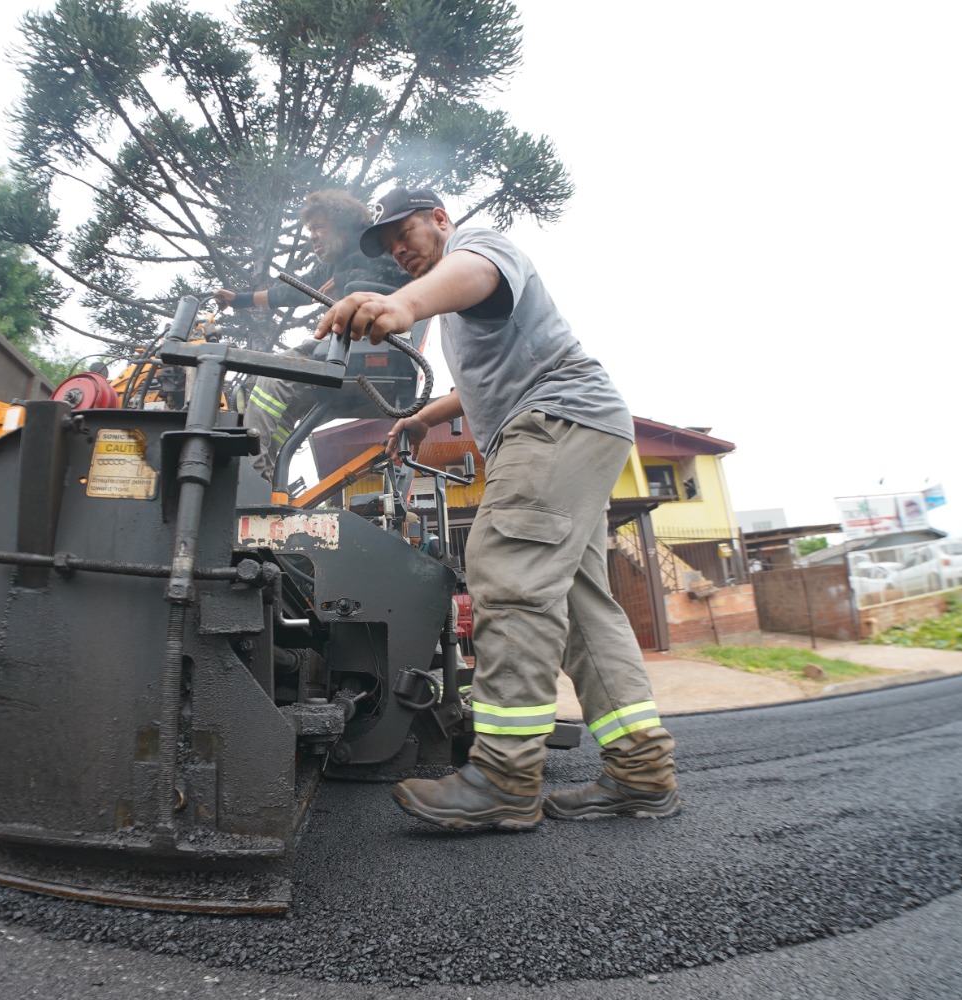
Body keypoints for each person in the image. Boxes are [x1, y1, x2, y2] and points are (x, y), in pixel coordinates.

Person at [315, 186, 679, 831]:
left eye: (406, 232)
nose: (399, 249)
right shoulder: (455, 311)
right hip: (580, 425)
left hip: (555, 423)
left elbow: (474, 271)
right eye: (387, 244)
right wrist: (424, 415)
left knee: (506, 570)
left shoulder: (479, 251)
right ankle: (641, 772)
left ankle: (506, 777)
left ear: (439, 219)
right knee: (578, 602)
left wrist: (399, 305)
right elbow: (484, 381)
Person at [214, 189, 408, 483]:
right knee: (277, 397)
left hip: (367, 344)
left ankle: (250, 477)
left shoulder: (372, 242)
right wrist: (240, 300)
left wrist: (347, 283)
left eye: (319, 227)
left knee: (271, 375)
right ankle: (267, 475)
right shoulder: (333, 261)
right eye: (309, 230)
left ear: (342, 224)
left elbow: (400, 280)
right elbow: (295, 291)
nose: (312, 236)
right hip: (339, 347)